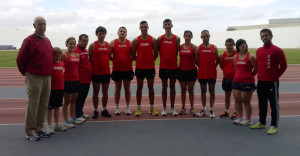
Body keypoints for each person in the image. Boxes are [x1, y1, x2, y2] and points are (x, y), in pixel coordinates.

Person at [17, 16, 53, 141]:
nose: (42, 26)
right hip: (34, 76)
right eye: (40, 24)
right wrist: (27, 74)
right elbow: (20, 59)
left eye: (44, 23)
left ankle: (39, 127)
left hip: (47, 76)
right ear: (34, 26)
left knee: (44, 104)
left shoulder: (47, 40)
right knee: (33, 104)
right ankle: (30, 130)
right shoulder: (29, 40)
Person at [251, 28, 287, 135]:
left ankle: (274, 125)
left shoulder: (277, 50)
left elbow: (284, 66)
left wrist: (276, 76)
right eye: (262, 36)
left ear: (271, 36)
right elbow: (258, 65)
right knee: (262, 103)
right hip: (261, 82)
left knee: (273, 104)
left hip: (272, 82)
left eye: (266, 35)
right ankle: (262, 122)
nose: (264, 37)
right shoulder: (259, 50)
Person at [131, 21, 159, 116]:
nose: (143, 28)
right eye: (142, 27)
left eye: (145, 27)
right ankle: (138, 108)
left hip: (150, 68)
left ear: (148, 27)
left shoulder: (153, 40)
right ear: (139, 28)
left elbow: (156, 54)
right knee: (139, 87)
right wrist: (139, 61)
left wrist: (150, 61)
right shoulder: (136, 40)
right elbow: (133, 54)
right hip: (140, 68)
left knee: (151, 88)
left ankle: (152, 107)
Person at [157, 19, 180, 116]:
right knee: (164, 87)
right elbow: (158, 51)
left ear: (171, 25)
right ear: (163, 26)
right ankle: (164, 108)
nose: (167, 26)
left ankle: (172, 108)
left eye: (168, 24)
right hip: (163, 67)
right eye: (165, 24)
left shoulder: (177, 38)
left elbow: (177, 52)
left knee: (172, 87)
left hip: (173, 67)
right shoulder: (160, 38)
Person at [88, 26, 112, 118]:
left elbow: (109, 56)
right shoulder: (93, 45)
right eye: (99, 33)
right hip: (96, 73)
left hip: (106, 72)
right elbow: (89, 58)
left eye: (103, 33)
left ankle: (104, 109)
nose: (101, 35)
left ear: (105, 34)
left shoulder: (108, 45)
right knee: (96, 92)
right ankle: (95, 110)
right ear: (96, 34)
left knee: (105, 92)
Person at [232, 39, 257, 126]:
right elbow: (236, 68)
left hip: (247, 82)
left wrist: (251, 74)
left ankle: (249, 119)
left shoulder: (251, 56)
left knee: (246, 101)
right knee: (238, 100)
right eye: (241, 44)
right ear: (238, 47)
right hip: (236, 81)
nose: (243, 45)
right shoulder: (235, 57)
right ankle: (240, 117)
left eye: (244, 44)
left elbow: (256, 68)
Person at [110, 26, 134, 115]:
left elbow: (133, 55)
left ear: (126, 33)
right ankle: (117, 107)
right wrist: (114, 61)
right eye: (121, 31)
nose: (122, 33)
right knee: (117, 88)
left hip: (127, 69)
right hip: (117, 70)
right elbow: (109, 55)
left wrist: (128, 61)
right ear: (118, 33)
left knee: (127, 88)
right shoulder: (113, 43)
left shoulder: (130, 43)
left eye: (124, 31)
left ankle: (127, 107)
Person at [195, 30, 219, 118]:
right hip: (202, 74)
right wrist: (201, 67)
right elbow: (196, 61)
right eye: (204, 36)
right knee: (203, 92)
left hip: (212, 74)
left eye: (207, 36)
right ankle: (203, 109)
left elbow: (217, 60)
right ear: (201, 37)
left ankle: (211, 109)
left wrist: (213, 67)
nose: (206, 38)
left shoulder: (214, 47)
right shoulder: (198, 48)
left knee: (212, 91)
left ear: (209, 36)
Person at [61, 37, 82, 128]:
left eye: (74, 43)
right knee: (67, 101)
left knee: (74, 100)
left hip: (76, 80)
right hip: (67, 81)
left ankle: (73, 118)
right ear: (67, 44)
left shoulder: (78, 55)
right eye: (70, 43)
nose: (72, 45)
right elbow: (59, 65)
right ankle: (66, 120)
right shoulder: (64, 55)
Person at [46, 47, 67, 134]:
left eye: (59, 56)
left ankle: (57, 124)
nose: (57, 58)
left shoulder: (62, 64)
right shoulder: (50, 64)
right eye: (56, 56)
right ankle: (49, 126)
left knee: (57, 107)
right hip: (52, 89)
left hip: (60, 88)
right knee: (50, 108)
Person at [178, 30, 197, 116]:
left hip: (191, 71)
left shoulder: (194, 47)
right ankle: (183, 107)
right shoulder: (180, 47)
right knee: (183, 90)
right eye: (186, 36)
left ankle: (192, 108)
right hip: (181, 71)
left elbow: (197, 61)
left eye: (189, 36)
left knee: (191, 90)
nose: (188, 37)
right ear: (184, 36)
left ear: (191, 37)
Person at [219, 38, 238, 119]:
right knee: (227, 96)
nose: (229, 47)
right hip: (226, 78)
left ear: (234, 45)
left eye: (231, 45)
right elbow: (222, 66)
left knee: (236, 96)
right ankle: (226, 111)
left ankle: (236, 112)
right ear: (225, 45)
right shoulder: (223, 55)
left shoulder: (237, 53)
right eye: (227, 45)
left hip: (236, 79)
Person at [74, 34, 92, 121]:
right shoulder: (76, 51)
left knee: (83, 97)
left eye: (87, 41)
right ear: (79, 41)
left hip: (87, 79)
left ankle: (80, 112)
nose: (85, 42)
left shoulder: (86, 51)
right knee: (79, 98)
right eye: (83, 41)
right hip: (80, 79)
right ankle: (77, 115)